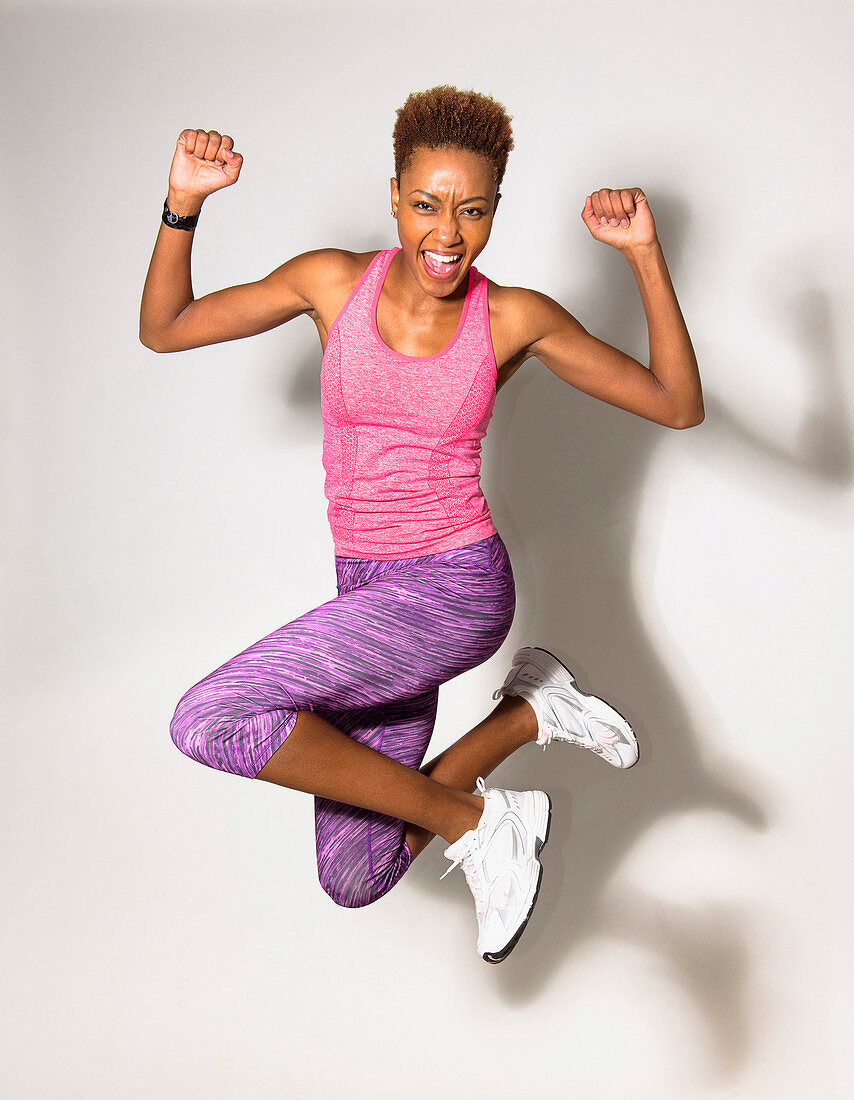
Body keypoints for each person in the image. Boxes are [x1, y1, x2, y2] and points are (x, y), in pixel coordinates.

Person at [139, 84, 703, 964]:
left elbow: (675, 403)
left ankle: (489, 824)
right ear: (395, 195)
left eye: (472, 211)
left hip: (453, 586)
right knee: (354, 874)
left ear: (494, 212)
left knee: (211, 717)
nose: (447, 234)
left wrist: (643, 254)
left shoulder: (513, 317)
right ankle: (524, 718)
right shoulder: (331, 283)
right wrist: (183, 201)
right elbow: (165, 328)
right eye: (429, 205)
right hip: (366, 592)